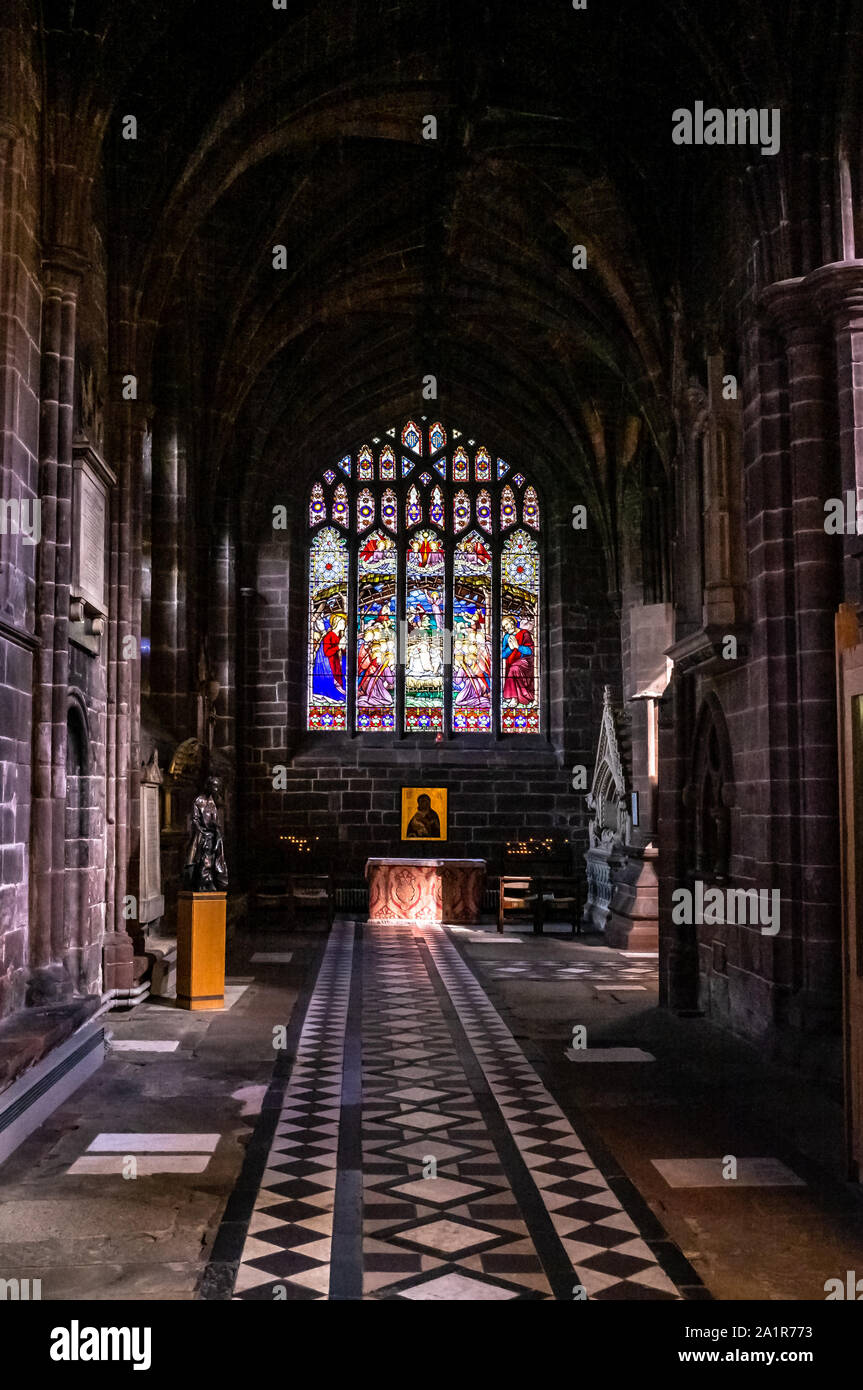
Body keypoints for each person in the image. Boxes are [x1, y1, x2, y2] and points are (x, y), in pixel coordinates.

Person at [182, 776, 228, 891]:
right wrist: (201, 831)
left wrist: (217, 831)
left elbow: (215, 820)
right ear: (208, 786)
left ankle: (210, 880)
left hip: (212, 835)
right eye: (214, 786)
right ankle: (203, 881)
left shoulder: (212, 802)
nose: (216, 789)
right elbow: (195, 819)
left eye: (217, 786)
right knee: (202, 858)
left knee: (214, 858)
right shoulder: (199, 801)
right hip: (202, 835)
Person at [502, 616, 535, 705]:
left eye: (507, 624)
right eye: (504, 626)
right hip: (511, 662)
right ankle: (511, 696)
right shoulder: (506, 637)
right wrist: (510, 649)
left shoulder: (525, 633)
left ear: (513, 622)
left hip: (526, 661)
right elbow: (502, 654)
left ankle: (514, 698)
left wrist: (518, 646)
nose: (506, 627)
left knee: (514, 669)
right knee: (513, 668)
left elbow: (530, 651)